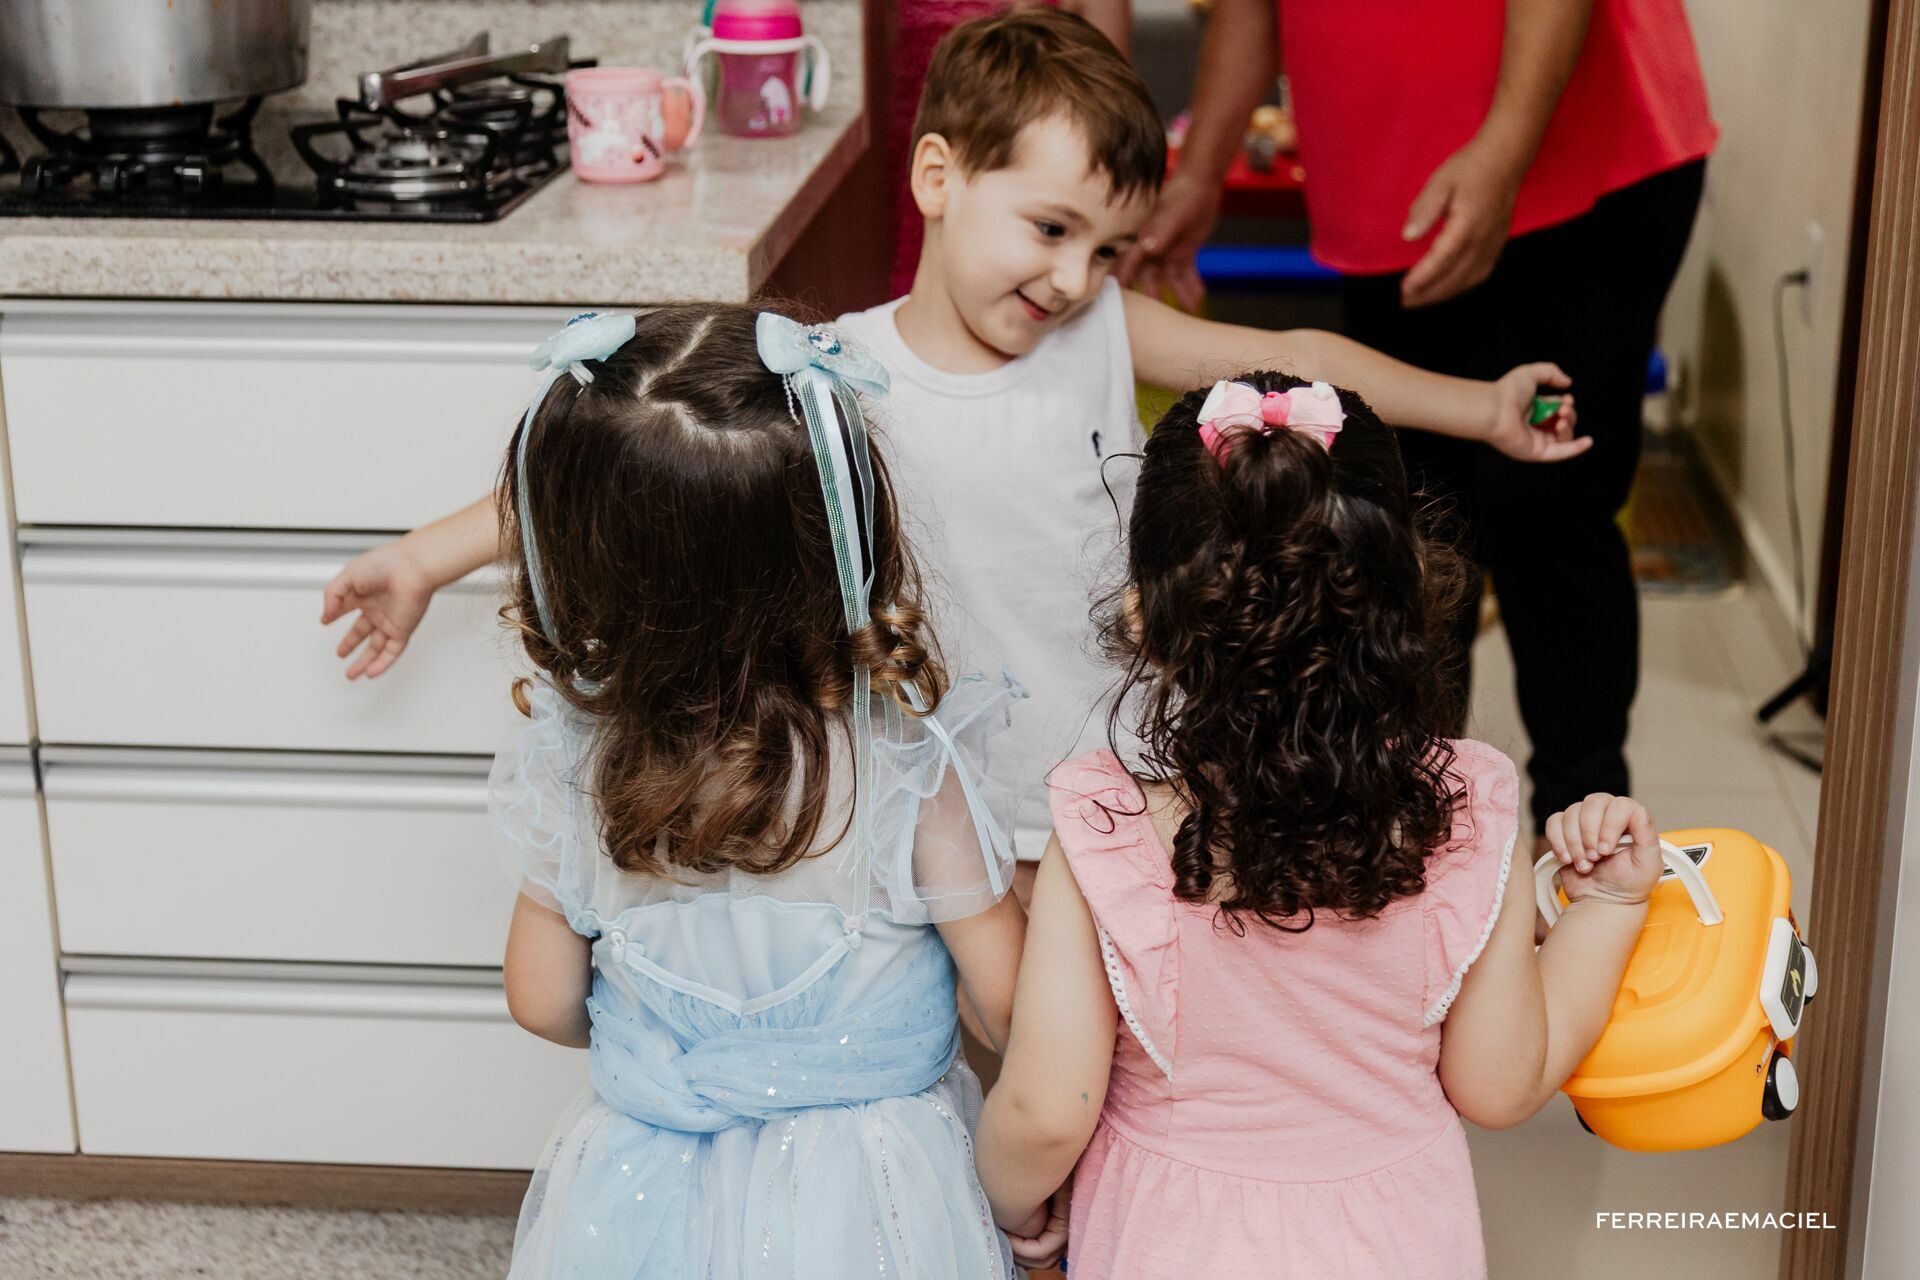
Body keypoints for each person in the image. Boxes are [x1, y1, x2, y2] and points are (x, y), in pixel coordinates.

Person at [321, 9, 1584, 904]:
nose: (1073, 276)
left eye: (1104, 246)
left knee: (1095, 1089)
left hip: (1125, 787)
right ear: (939, 176)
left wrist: (1478, 409)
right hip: (935, 811)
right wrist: (428, 555)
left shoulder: (1099, 331)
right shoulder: (837, 369)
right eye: (1048, 227)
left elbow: (1303, 352)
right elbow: (631, 461)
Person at [971, 373, 1668, 1277]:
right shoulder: (1466, 807)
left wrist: (1011, 1211)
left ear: (1146, 615)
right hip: (1396, 1242)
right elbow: (1499, 1085)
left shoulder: (1106, 827)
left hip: (1168, 1241)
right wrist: (1607, 910)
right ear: (1413, 589)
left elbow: (1043, 1112)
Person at [487, 303, 1035, 1277]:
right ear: (840, 531)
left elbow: (540, 998)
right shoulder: (902, 759)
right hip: (871, 1184)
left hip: (647, 1172)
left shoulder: (579, 758)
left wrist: (687, 1058)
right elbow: (1008, 1005)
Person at [1124, 0, 1716, 849]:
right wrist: (1198, 173)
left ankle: (1581, 837)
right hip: (1397, 206)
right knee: (1405, 521)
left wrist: (1505, 150)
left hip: (1574, 182)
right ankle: (1418, 828)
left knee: (1548, 505)